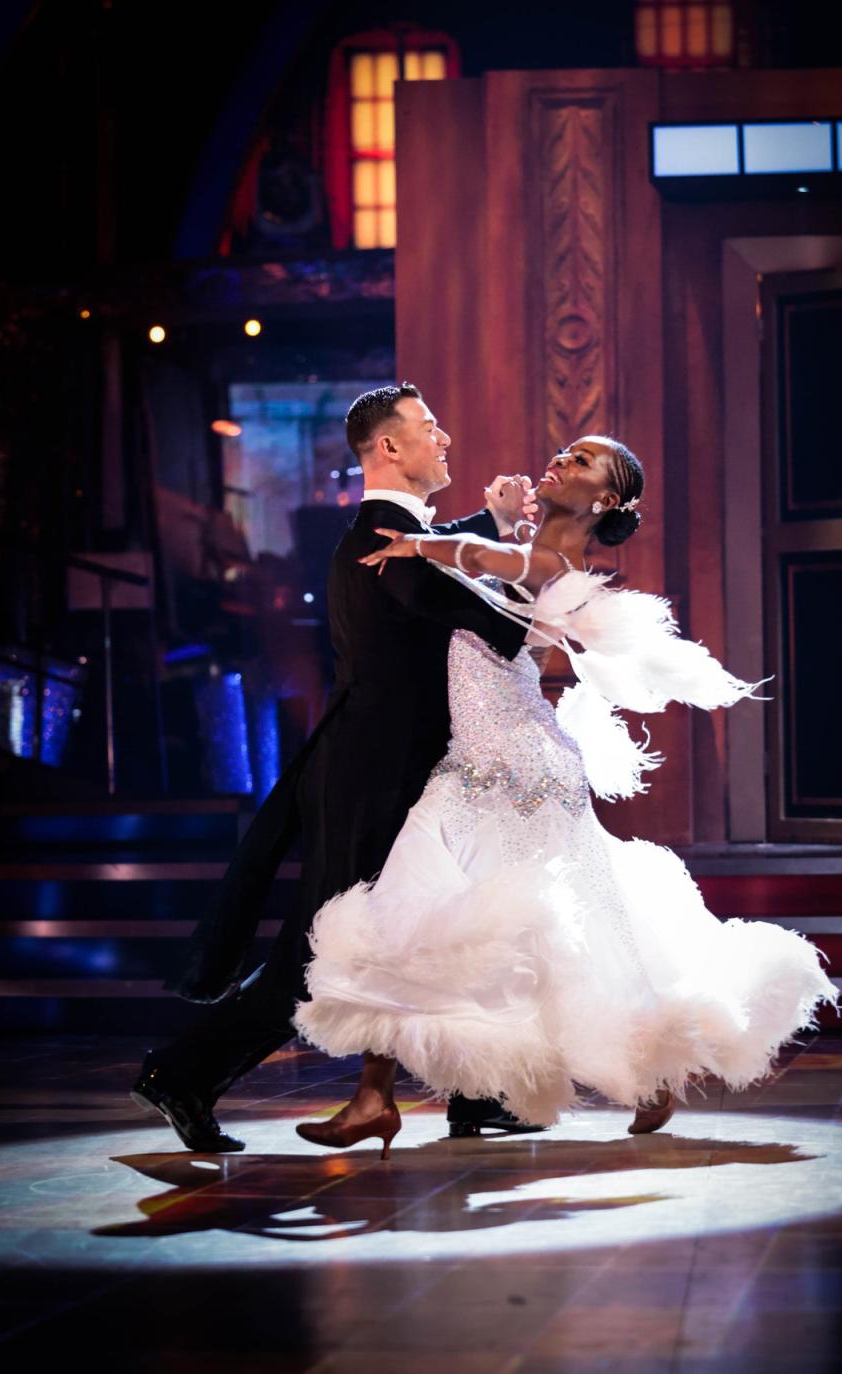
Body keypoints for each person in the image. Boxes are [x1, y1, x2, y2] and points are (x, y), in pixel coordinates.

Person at [292, 436, 839, 1158]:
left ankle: (650, 1068)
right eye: (565, 452)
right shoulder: (525, 543)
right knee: (408, 903)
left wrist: (423, 546)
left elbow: (493, 564)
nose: (559, 461)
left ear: (605, 502)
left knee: (566, 934)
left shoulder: (552, 564)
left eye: (581, 463)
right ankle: (373, 1097)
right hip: (475, 762)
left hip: (522, 770)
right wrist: (482, 518)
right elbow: (487, 560)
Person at [131, 383, 540, 1151]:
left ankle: (474, 1093)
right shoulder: (388, 541)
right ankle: (182, 1073)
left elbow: (437, 554)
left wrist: (491, 526)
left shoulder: (388, 532)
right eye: (429, 426)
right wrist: (537, 581)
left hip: (387, 766)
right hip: (372, 773)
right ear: (388, 448)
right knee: (324, 949)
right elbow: (476, 610)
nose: (445, 437)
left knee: (434, 920)